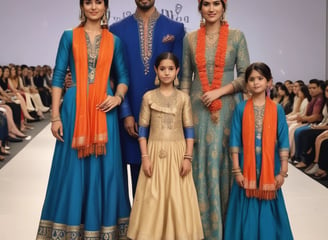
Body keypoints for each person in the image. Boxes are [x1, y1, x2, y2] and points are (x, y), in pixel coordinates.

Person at [36, 0, 130, 238]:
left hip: (104, 111)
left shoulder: (114, 41)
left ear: (105, 6)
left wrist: (118, 98)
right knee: (72, 169)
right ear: (82, 6)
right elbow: (58, 76)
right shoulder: (68, 37)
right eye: (88, 2)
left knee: (106, 170)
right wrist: (55, 117)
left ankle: (103, 229)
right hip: (74, 110)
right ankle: (69, 230)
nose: (93, 7)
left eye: (99, 2)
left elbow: (123, 77)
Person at [180, 0, 250, 238]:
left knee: (225, 162)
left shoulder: (237, 36)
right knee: (200, 163)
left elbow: (245, 76)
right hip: (197, 111)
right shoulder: (189, 39)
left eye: (216, 3)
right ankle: (201, 228)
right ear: (199, 8)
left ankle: (227, 228)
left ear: (223, 7)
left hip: (229, 109)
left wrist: (220, 91)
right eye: (206, 4)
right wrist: (183, 111)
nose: (211, 8)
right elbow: (186, 80)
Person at [110, 0, 185, 196]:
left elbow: (180, 74)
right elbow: (116, 75)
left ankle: (157, 224)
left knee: (163, 171)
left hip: (164, 116)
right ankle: (132, 223)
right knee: (132, 167)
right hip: (129, 110)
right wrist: (126, 113)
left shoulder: (175, 28)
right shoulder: (116, 30)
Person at [127, 52, 203, 240]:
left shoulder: (183, 98)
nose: (166, 73)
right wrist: (144, 157)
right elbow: (143, 131)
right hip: (153, 152)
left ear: (177, 71)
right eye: (162, 69)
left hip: (178, 152)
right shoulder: (148, 97)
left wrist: (187, 157)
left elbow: (189, 130)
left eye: (171, 69)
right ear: (156, 70)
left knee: (177, 196)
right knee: (153, 195)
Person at [224, 62, 293, 240]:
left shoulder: (277, 109)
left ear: (269, 82)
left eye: (260, 78)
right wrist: (237, 171)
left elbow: (284, 140)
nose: (256, 82)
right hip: (246, 166)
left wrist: (283, 172)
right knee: (245, 203)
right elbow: (235, 141)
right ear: (246, 84)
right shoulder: (240, 108)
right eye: (252, 79)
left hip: (270, 168)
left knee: (270, 205)